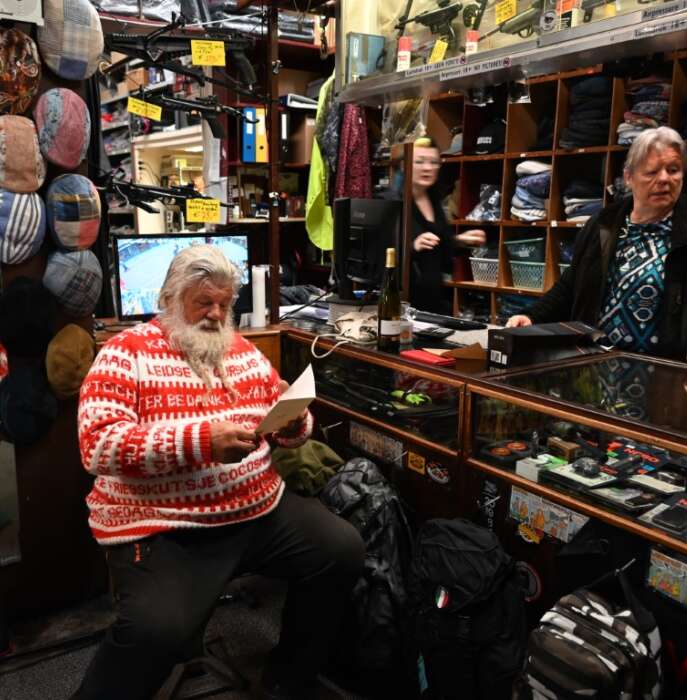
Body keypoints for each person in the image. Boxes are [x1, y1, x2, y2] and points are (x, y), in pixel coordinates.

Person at [72, 245, 365, 700]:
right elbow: (98, 446)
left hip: (256, 509)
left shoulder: (243, 352)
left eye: (224, 305)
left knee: (341, 549)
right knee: (156, 630)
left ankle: (288, 678)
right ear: (169, 299)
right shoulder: (124, 353)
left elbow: (288, 427)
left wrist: (294, 423)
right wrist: (201, 442)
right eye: (203, 302)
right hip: (162, 524)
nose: (215, 314)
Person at [507, 127, 687, 376]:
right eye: (652, 171)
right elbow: (571, 286)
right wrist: (532, 316)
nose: (664, 179)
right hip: (594, 373)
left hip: (668, 379)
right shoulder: (603, 224)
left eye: (673, 170)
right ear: (628, 177)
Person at [409, 137, 486, 313]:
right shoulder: (396, 202)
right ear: (406, 165)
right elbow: (381, 254)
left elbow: (442, 250)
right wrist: (412, 246)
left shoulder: (434, 200)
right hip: (405, 302)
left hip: (433, 300)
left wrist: (461, 240)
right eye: (420, 161)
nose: (427, 168)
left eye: (433, 162)